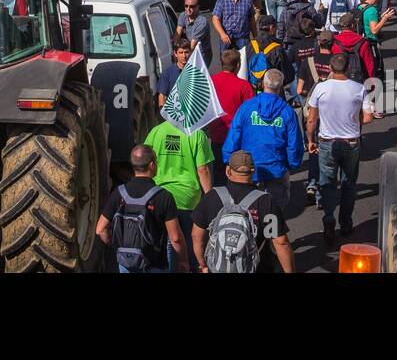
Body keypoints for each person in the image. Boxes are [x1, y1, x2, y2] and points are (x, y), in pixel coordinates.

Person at [307, 52, 375, 245]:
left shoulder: (320, 88)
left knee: (327, 183)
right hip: (351, 143)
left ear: (330, 68)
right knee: (348, 183)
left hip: (327, 142)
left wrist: (310, 140)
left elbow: (312, 119)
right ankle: (345, 222)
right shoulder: (359, 89)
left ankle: (329, 218)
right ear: (347, 68)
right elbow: (368, 118)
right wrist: (355, 118)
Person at [192, 150, 295, 273]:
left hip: (218, 268)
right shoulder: (265, 202)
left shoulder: (212, 197)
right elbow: (281, 242)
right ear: (253, 171)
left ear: (228, 171)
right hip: (257, 268)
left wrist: (203, 265)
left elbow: (196, 236)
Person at [222, 68, 304, 211]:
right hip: (276, 169)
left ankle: (255, 232)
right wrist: (293, 163)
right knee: (274, 213)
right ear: (280, 87)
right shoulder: (287, 112)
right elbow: (294, 145)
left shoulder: (247, 107)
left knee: (248, 212)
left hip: (248, 168)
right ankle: (270, 231)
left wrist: (229, 160)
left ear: (263, 84)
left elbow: (234, 135)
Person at [97, 144, 187, 273]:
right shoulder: (164, 196)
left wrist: (117, 245)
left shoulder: (119, 193)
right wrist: (183, 261)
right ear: (152, 165)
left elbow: (100, 229)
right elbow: (176, 238)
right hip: (155, 265)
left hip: (126, 265)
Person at [143, 117, 214, 272]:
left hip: (159, 199)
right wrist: (209, 199)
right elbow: (203, 169)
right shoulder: (196, 133)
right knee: (187, 247)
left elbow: (144, 162)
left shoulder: (156, 131)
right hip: (187, 201)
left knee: (161, 246)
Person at [207, 49, 255, 186]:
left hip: (216, 136)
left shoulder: (211, 82)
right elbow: (250, 114)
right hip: (237, 139)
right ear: (238, 65)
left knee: (218, 174)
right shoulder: (244, 86)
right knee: (238, 174)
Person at [211, 0, 255, 75]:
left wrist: (255, 36)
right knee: (226, 63)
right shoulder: (222, 0)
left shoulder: (247, 1)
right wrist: (222, 34)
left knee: (243, 64)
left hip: (242, 37)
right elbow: (215, 18)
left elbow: (251, 20)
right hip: (226, 37)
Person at [245, 15, 293, 91]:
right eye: (275, 27)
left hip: (253, 89)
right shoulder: (277, 48)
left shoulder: (250, 45)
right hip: (273, 90)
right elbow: (289, 76)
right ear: (271, 27)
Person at [173, 0, 213, 67]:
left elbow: (192, 45)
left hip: (201, 54)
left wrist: (181, 57)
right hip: (189, 51)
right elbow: (177, 34)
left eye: (192, 6)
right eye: (186, 6)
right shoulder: (183, 15)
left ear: (198, 7)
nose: (188, 9)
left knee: (198, 76)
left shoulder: (202, 22)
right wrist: (176, 50)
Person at [156, 40, 191, 109]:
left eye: (186, 52)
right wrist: (164, 114)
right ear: (175, 54)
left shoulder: (196, 72)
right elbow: (161, 96)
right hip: (175, 112)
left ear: (190, 52)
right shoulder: (167, 73)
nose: (184, 56)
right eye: (181, 52)